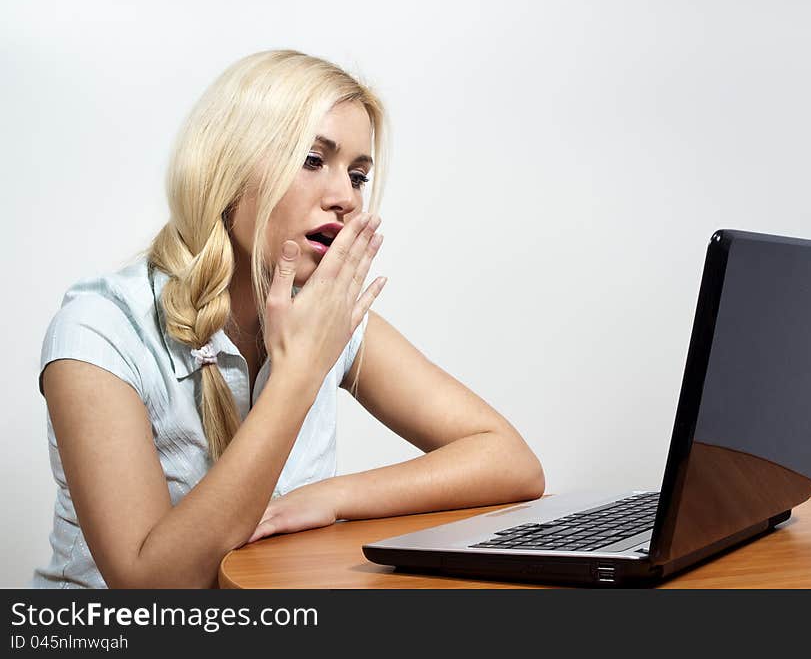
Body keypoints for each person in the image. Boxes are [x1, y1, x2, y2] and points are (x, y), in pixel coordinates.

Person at [33, 49, 545, 588]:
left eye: (358, 174)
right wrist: (297, 377)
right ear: (227, 168)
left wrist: (327, 499)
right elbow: (155, 591)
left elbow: (511, 461)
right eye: (311, 160)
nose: (344, 197)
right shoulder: (101, 330)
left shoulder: (324, 314)